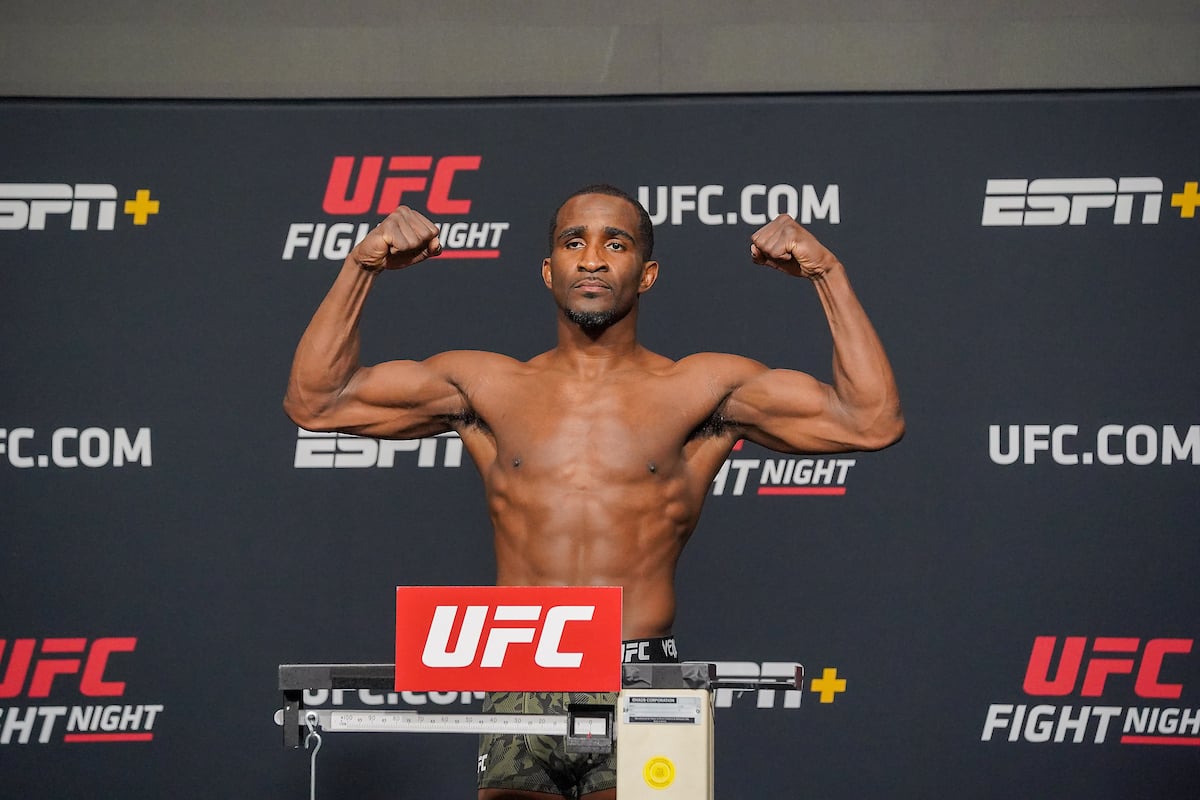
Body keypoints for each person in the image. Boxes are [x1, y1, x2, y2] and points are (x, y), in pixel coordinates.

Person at [284, 183, 903, 799]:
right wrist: (362, 265)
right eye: (574, 242)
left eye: (616, 244)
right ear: (548, 270)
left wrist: (827, 272)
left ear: (647, 274)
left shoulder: (701, 389)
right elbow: (316, 401)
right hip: (523, 672)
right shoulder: (487, 386)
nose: (593, 259)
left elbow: (870, 421)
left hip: (641, 677)